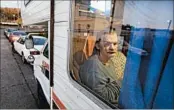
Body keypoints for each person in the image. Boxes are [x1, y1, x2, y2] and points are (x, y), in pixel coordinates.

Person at [79, 32, 126, 104]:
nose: (112, 47)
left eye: (115, 44)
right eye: (107, 44)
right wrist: (123, 81)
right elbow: (102, 99)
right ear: (97, 45)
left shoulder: (109, 61)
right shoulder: (93, 68)